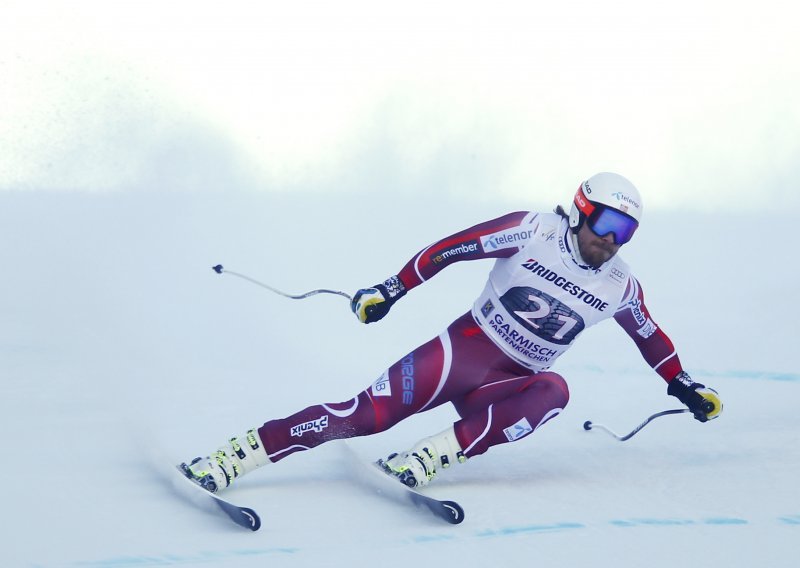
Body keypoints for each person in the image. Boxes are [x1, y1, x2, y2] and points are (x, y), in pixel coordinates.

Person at [182, 172, 722, 493]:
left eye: (625, 232)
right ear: (580, 210)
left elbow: (651, 338)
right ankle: (241, 453)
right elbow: (450, 248)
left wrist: (684, 386)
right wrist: (390, 290)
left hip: (506, 385)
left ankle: (433, 454)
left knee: (556, 391)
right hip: (462, 352)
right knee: (364, 417)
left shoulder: (620, 284)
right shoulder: (533, 230)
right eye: (605, 223)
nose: (611, 240)